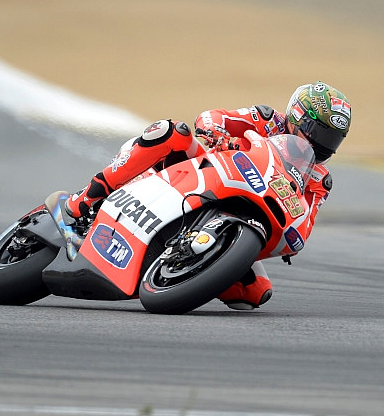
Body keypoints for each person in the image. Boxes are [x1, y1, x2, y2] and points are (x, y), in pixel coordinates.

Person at [65, 81, 351, 310]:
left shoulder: (319, 179)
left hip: (246, 210)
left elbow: (305, 222)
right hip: (204, 171)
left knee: (254, 293)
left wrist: (292, 233)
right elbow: (213, 117)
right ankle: (86, 199)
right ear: (299, 116)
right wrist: (218, 134)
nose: (323, 144)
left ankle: (183, 266)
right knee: (172, 132)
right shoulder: (266, 119)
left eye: (333, 139)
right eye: (319, 132)